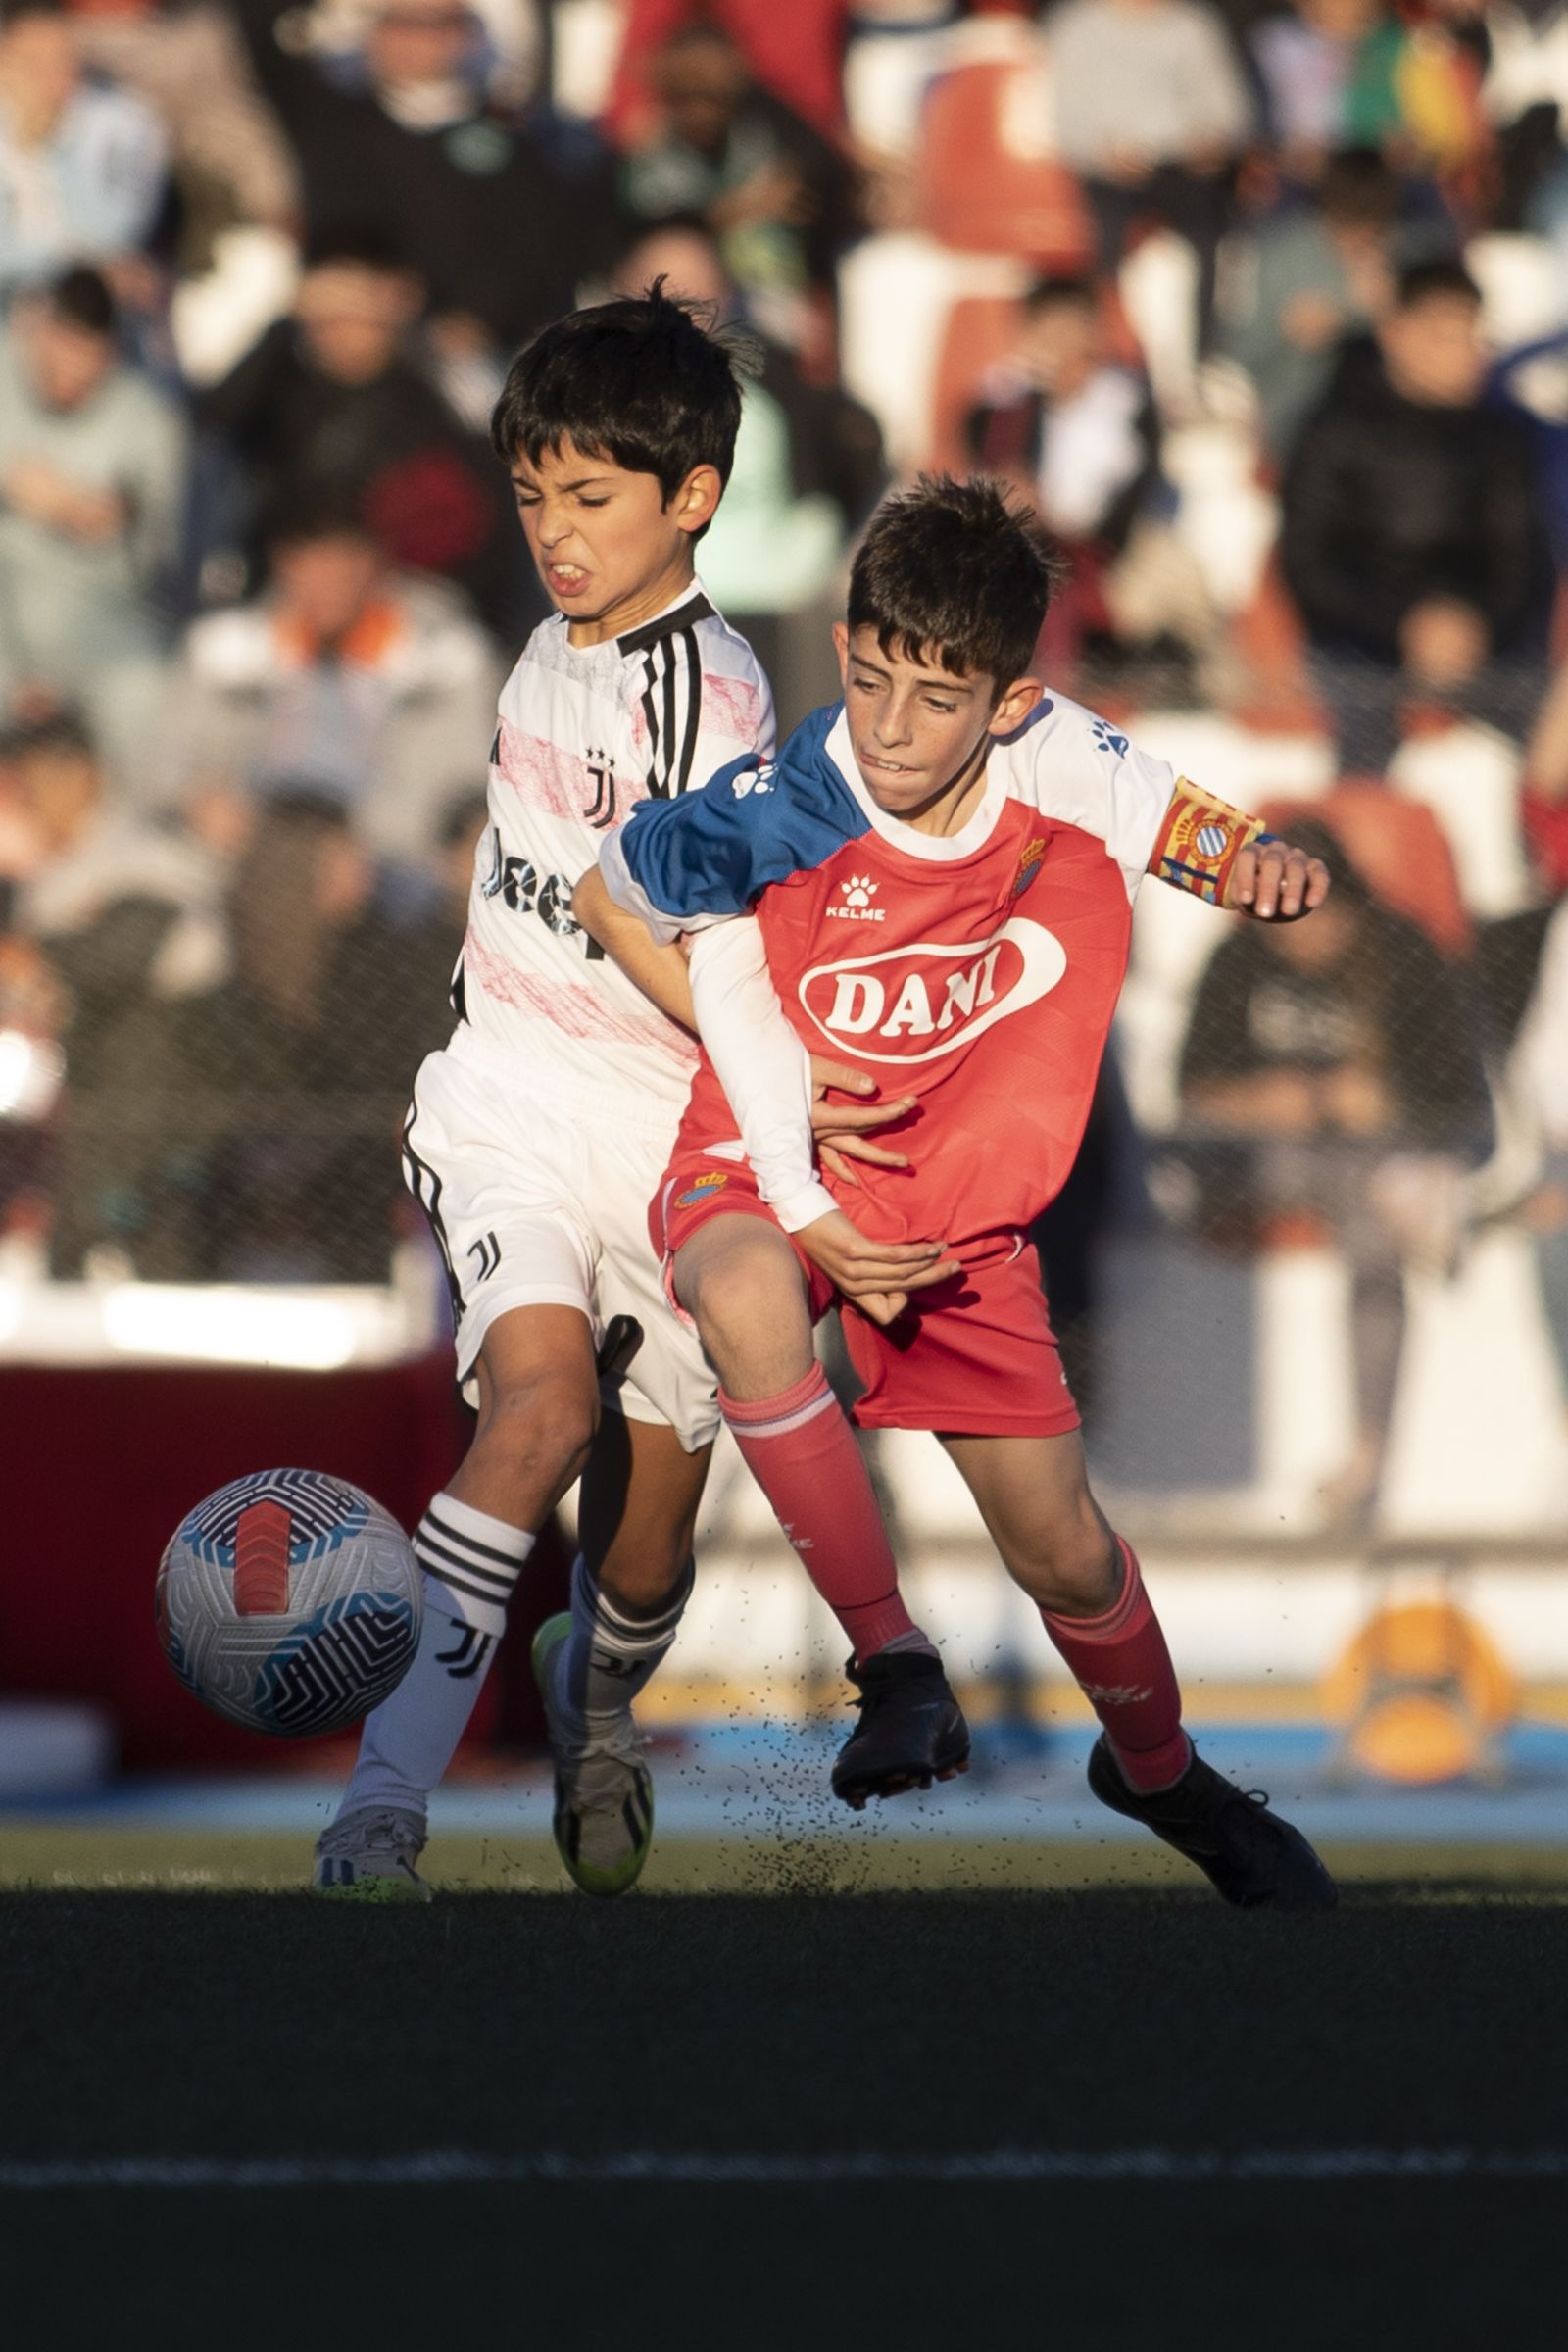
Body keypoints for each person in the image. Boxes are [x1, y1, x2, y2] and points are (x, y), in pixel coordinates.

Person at [579, 474, 1339, 1908]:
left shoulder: (1062, 755)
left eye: (934, 701)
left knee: (1061, 1544)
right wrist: (788, 1118)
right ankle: (897, 1666)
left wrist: (1264, 868)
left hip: (944, 1189)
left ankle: (1163, 1773)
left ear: (1005, 703)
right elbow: (613, 888)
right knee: (745, 1298)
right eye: (865, 681)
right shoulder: (793, 796)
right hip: (762, 1148)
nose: (888, 728)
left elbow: (1183, 825)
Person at [312, 285, 915, 1902]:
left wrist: (779, 1091)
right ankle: (382, 1811)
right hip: (512, 1099)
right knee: (540, 1411)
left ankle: (599, 1709)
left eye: (589, 502)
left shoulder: (700, 700)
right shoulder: (549, 642)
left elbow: (653, 923)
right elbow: (576, 898)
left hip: (666, 1139)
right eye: (533, 499)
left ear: (696, 500)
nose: (553, 537)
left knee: (644, 1550)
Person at [1178, 816, 1493, 1526]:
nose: (1296, 936)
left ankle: (1367, 1454)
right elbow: (1191, 1095)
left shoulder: (1402, 951)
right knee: (1368, 1189)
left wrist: (1377, 1097)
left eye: (1315, 915)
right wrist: (1270, 1099)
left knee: (1372, 1213)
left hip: (1371, 1164)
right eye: (1278, 918)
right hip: (1258, 1161)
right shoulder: (1237, 960)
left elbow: (1456, 1102)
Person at [1281, 257, 1554, 772]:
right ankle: (1358, 846)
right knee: (1363, 748)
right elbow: (1307, 564)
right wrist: (1404, 625)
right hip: (1355, 648)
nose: (1465, 354)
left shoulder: (1501, 440)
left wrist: (1475, 626)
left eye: (1471, 335)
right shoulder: (1334, 430)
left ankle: (1536, 851)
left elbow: (1520, 561)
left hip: (1479, 650)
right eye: (1443, 337)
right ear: (1396, 335)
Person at [163, 494, 501, 875]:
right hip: (251, 846)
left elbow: (467, 792)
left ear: (375, 563)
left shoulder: (445, 659)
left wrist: (369, 844)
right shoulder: (226, 652)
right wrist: (196, 799)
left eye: (343, 562)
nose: (325, 581)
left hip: (391, 861)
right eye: (308, 560)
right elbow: (157, 768)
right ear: (282, 563)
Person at [0, 264, 186, 791]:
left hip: (94, 621)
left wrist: (109, 516)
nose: (74, 371)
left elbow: (155, 557)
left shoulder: (145, 418)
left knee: (144, 688)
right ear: (39, 333)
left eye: (91, 354)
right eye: (63, 347)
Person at [1048, 0, 1253, 352]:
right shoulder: (1076, 27)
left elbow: (1229, 110)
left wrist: (1210, 143)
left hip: (1181, 165)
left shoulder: (1193, 25)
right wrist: (1104, 155)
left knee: (1208, 239)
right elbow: (1065, 123)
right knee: (1106, 243)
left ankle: (1202, 355)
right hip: (1105, 171)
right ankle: (1114, 353)